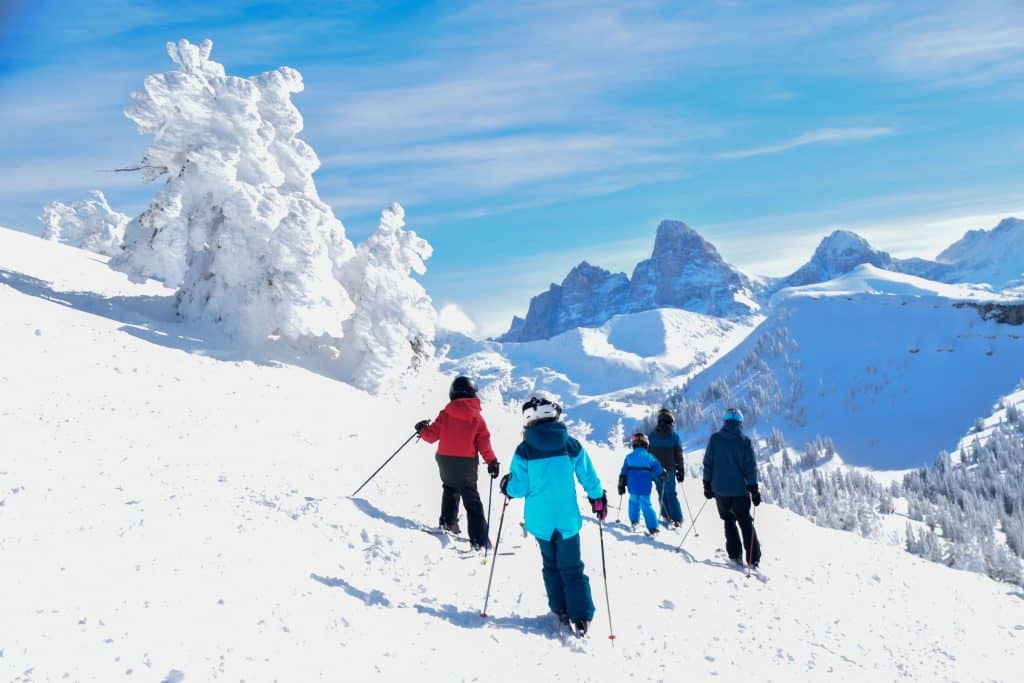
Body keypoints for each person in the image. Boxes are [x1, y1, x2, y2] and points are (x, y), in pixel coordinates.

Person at [500, 396, 607, 637]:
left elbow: (518, 488)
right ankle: (581, 617)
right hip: (567, 519)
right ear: (555, 415)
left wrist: (507, 485)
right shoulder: (570, 445)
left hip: (540, 521)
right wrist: (597, 498)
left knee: (551, 565)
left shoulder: (524, 450)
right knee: (572, 567)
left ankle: (560, 610)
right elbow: (588, 477)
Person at [415, 376, 499, 551]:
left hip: (445, 461)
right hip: (466, 464)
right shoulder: (477, 419)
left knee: (450, 488)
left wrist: (421, 429)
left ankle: (448, 523)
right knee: (471, 499)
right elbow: (484, 444)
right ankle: (478, 539)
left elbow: (430, 437)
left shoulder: (445, 414)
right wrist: (491, 462)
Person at [702, 407, 762, 568]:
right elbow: (750, 468)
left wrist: (707, 484)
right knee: (745, 522)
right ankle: (753, 558)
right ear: (740, 422)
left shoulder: (715, 439)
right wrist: (754, 489)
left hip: (720, 490)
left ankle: (735, 556)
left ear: (725, 421)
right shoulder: (744, 441)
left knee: (729, 521)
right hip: (739, 491)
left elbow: (708, 463)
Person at [617, 432, 667, 535]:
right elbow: (657, 467)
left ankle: (634, 521)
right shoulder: (649, 457)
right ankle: (653, 527)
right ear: (646, 444)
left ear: (634, 444)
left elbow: (624, 472)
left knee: (633, 502)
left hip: (633, 486)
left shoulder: (629, 457)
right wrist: (662, 475)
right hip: (645, 486)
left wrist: (621, 484)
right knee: (646, 505)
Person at [648, 408, 685, 528]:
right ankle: (677, 519)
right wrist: (681, 470)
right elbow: (678, 456)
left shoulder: (652, 436)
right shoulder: (674, 436)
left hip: (655, 471)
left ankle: (665, 515)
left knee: (660, 492)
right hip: (670, 470)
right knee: (671, 493)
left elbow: (648, 454)